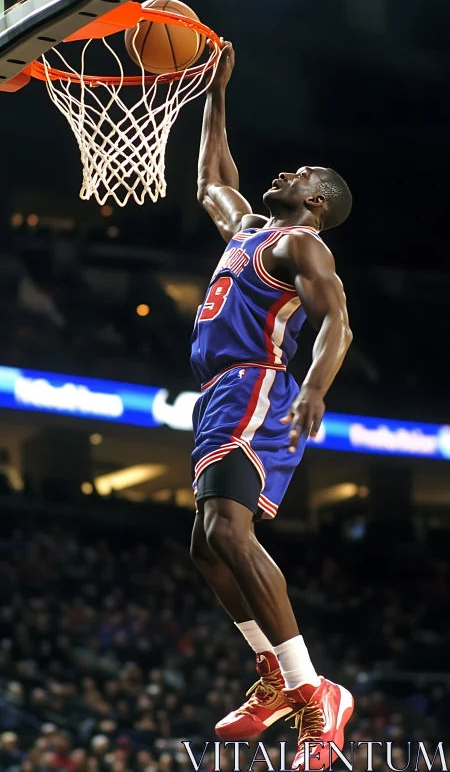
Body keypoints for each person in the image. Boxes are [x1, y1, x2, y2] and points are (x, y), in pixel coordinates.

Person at [190, 42, 354, 770]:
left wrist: (315, 387)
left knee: (228, 529)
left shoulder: (302, 246)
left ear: (317, 203)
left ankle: (314, 692)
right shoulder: (248, 230)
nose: (287, 172)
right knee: (207, 544)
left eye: (303, 175)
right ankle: (274, 676)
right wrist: (215, 94)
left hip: (257, 385)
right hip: (217, 393)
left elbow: (337, 321)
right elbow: (211, 183)